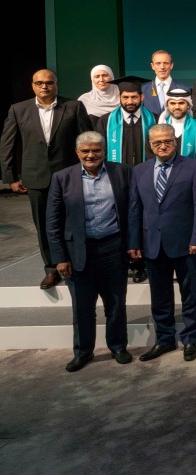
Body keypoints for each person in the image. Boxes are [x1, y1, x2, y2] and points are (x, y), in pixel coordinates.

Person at [46, 131, 135, 371]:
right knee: (83, 308)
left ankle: (118, 346)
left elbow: (132, 211)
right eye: (85, 151)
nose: (91, 154)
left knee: (116, 304)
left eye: (96, 150)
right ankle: (83, 352)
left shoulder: (122, 172)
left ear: (104, 151)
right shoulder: (62, 178)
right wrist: (60, 258)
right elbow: (53, 223)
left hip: (113, 249)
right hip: (77, 254)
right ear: (77, 153)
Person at [1, 69, 94, 289]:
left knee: (73, 222)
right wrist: (11, 177)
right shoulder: (18, 109)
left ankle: (77, 264)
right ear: (33, 85)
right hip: (35, 177)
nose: (44, 86)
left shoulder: (73, 107)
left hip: (69, 176)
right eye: (40, 83)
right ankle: (52, 269)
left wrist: (90, 170)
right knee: (43, 225)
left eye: (49, 83)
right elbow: (8, 145)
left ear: (56, 85)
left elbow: (87, 140)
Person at [128, 124, 196, 362]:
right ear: (150, 146)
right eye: (157, 143)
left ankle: (190, 339)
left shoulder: (193, 167)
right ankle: (164, 340)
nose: (163, 146)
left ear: (176, 142)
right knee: (159, 296)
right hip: (153, 243)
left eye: (168, 141)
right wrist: (134, 242)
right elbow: (135, 208)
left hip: (185, 244)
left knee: (190, 293)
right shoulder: (139, 170)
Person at [95, 76, 155, 166]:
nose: (130, 101)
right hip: (116, 173)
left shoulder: (154, 120)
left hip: (147, 173)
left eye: (134, 97)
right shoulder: (106, 121)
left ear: (142, 97)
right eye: (125, 97)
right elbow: (99, 150)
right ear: (119, 97)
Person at [158, 88, 196, 159]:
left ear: (188, 105)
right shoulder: (158, 127)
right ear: (167, 106)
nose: (177, 107)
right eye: (173, 103)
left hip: (191, 169)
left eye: (181, 103)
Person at [142, 50, 190, 117]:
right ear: (152, 66)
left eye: (166, 63)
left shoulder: (184, 89)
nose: (162, 67)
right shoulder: (143, 90)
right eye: (158, 63)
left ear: (171, 65)